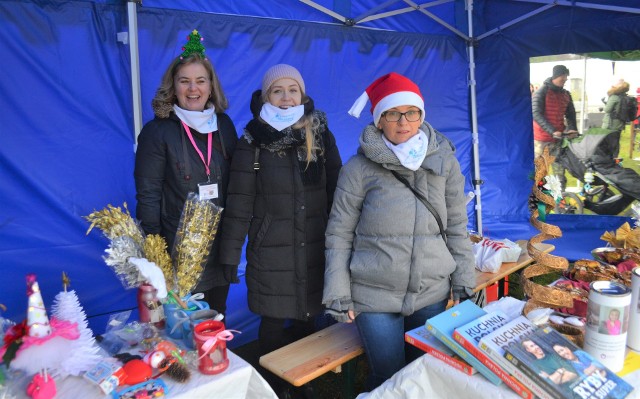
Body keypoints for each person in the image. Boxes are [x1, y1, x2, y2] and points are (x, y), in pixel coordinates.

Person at [322, 72, 476, 390]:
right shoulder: (358, 170)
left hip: (431, 291)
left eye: (411, 112)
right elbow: (339, 233)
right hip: (374, 296)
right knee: (389, 378)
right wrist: (338, 291)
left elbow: (458, 226)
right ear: (380, 120)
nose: (403, 121)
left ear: (421, 116)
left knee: (425, 373)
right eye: (393, 113)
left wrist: (464, 280)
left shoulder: (444, 163)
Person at [218, 64, 342, 397]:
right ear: (266, 96)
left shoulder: (320, 132)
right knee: (273, 321)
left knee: (307, 317)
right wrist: (229, 255)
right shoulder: (252, 140)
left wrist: (344, 241)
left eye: (292, 90)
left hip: (314, 245)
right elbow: (239, 201)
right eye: (278, 91)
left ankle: (303, 381)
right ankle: (273, 387)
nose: (286, 98)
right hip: (271, 248)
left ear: (302, 94)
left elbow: (338, 191)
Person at [134, 30, 238, 313]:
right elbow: (149, 193)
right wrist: (156, 252)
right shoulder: (158, 131)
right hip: (177, 247)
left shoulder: (224, 125)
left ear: (210, 85)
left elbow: (239, 182)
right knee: (180, 323)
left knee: (215, 319)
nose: (193, 89)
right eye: (185, 81)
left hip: (219, 246)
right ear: (174, 86)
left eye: (200, 81)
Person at [532, 64, 578, 191]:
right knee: (541, 171)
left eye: (566, 78)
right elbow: (536, 113)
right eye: (563, 77)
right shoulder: (541, 92)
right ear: (556, 76)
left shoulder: (566, 94)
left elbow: (571, 114)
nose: (565, 80)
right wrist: (552, 131)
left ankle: (560, 200)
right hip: (541, 140)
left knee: (560, 172)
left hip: (558, 140)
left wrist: (572, 128)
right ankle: (539, 199)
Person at [601, 79, 631, 159]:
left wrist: (605, 106)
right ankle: (615, 161)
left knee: (607, 145)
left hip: (610, 126)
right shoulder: (623, 96)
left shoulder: (614, 97)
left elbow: (607, 109)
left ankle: (610, 162)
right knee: (615, 144)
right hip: (619, 125)